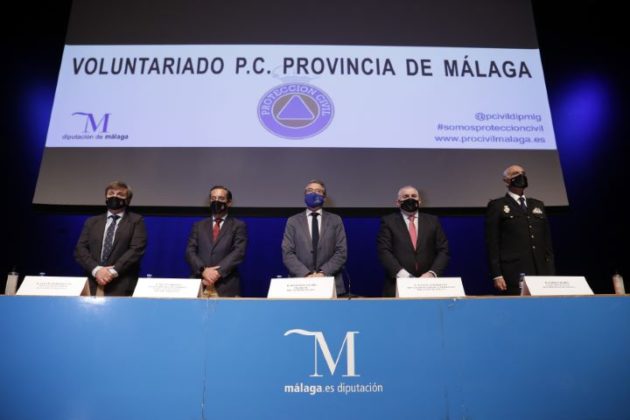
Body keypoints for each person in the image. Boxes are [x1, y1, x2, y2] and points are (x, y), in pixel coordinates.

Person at [485, 164, 555, 295]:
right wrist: (497, 274)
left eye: (523, 173)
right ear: (506, 180)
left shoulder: (538, 204)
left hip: (541, 270)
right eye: (515, 174)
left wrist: (551, 272)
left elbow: (547, 243)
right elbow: (492, 243)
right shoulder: (497, 205)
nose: (520, 176)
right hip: (513, 272)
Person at [74, 181, 147, 296]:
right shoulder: (92, 221)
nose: (114, 196)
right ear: (106, 198)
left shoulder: (136, 221)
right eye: (111, 193)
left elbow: (136, 250)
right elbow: (80, 249)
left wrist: (111, 272)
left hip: (121, 283)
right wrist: (97, 270)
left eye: (120, 194)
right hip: (93, 281)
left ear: (127, 200)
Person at [377, 186, 449, 297]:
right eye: (405, 196)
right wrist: (405, 276)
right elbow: (384, 251)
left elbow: (443, 250)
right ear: (398, 202)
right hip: (397, 285)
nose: (410, 199)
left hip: (429, 285)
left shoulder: (433, 221)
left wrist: (431, 273)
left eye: (414, 196)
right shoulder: (388, 221)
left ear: (419, 201)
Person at [281, 180, 347, 296]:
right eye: (310, 191)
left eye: (318, 191)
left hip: (330, 283)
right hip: (300, 284)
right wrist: (306, 274)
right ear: (304, 196)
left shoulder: (336, 220)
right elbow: (287, 253)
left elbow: (341, 252)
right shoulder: (293, 221)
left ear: (324, 197)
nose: (313, 194)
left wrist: (322, 273)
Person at [186, 185, 247, 297]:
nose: (216, 201)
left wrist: (216, 273)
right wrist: (203, 270)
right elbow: (190, 251)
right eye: (213, 198)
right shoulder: (198, 225)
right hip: (200, 282)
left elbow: (239, 252)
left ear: (229, 202)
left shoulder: (238, 225)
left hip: (226, 284)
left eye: (221, 198)